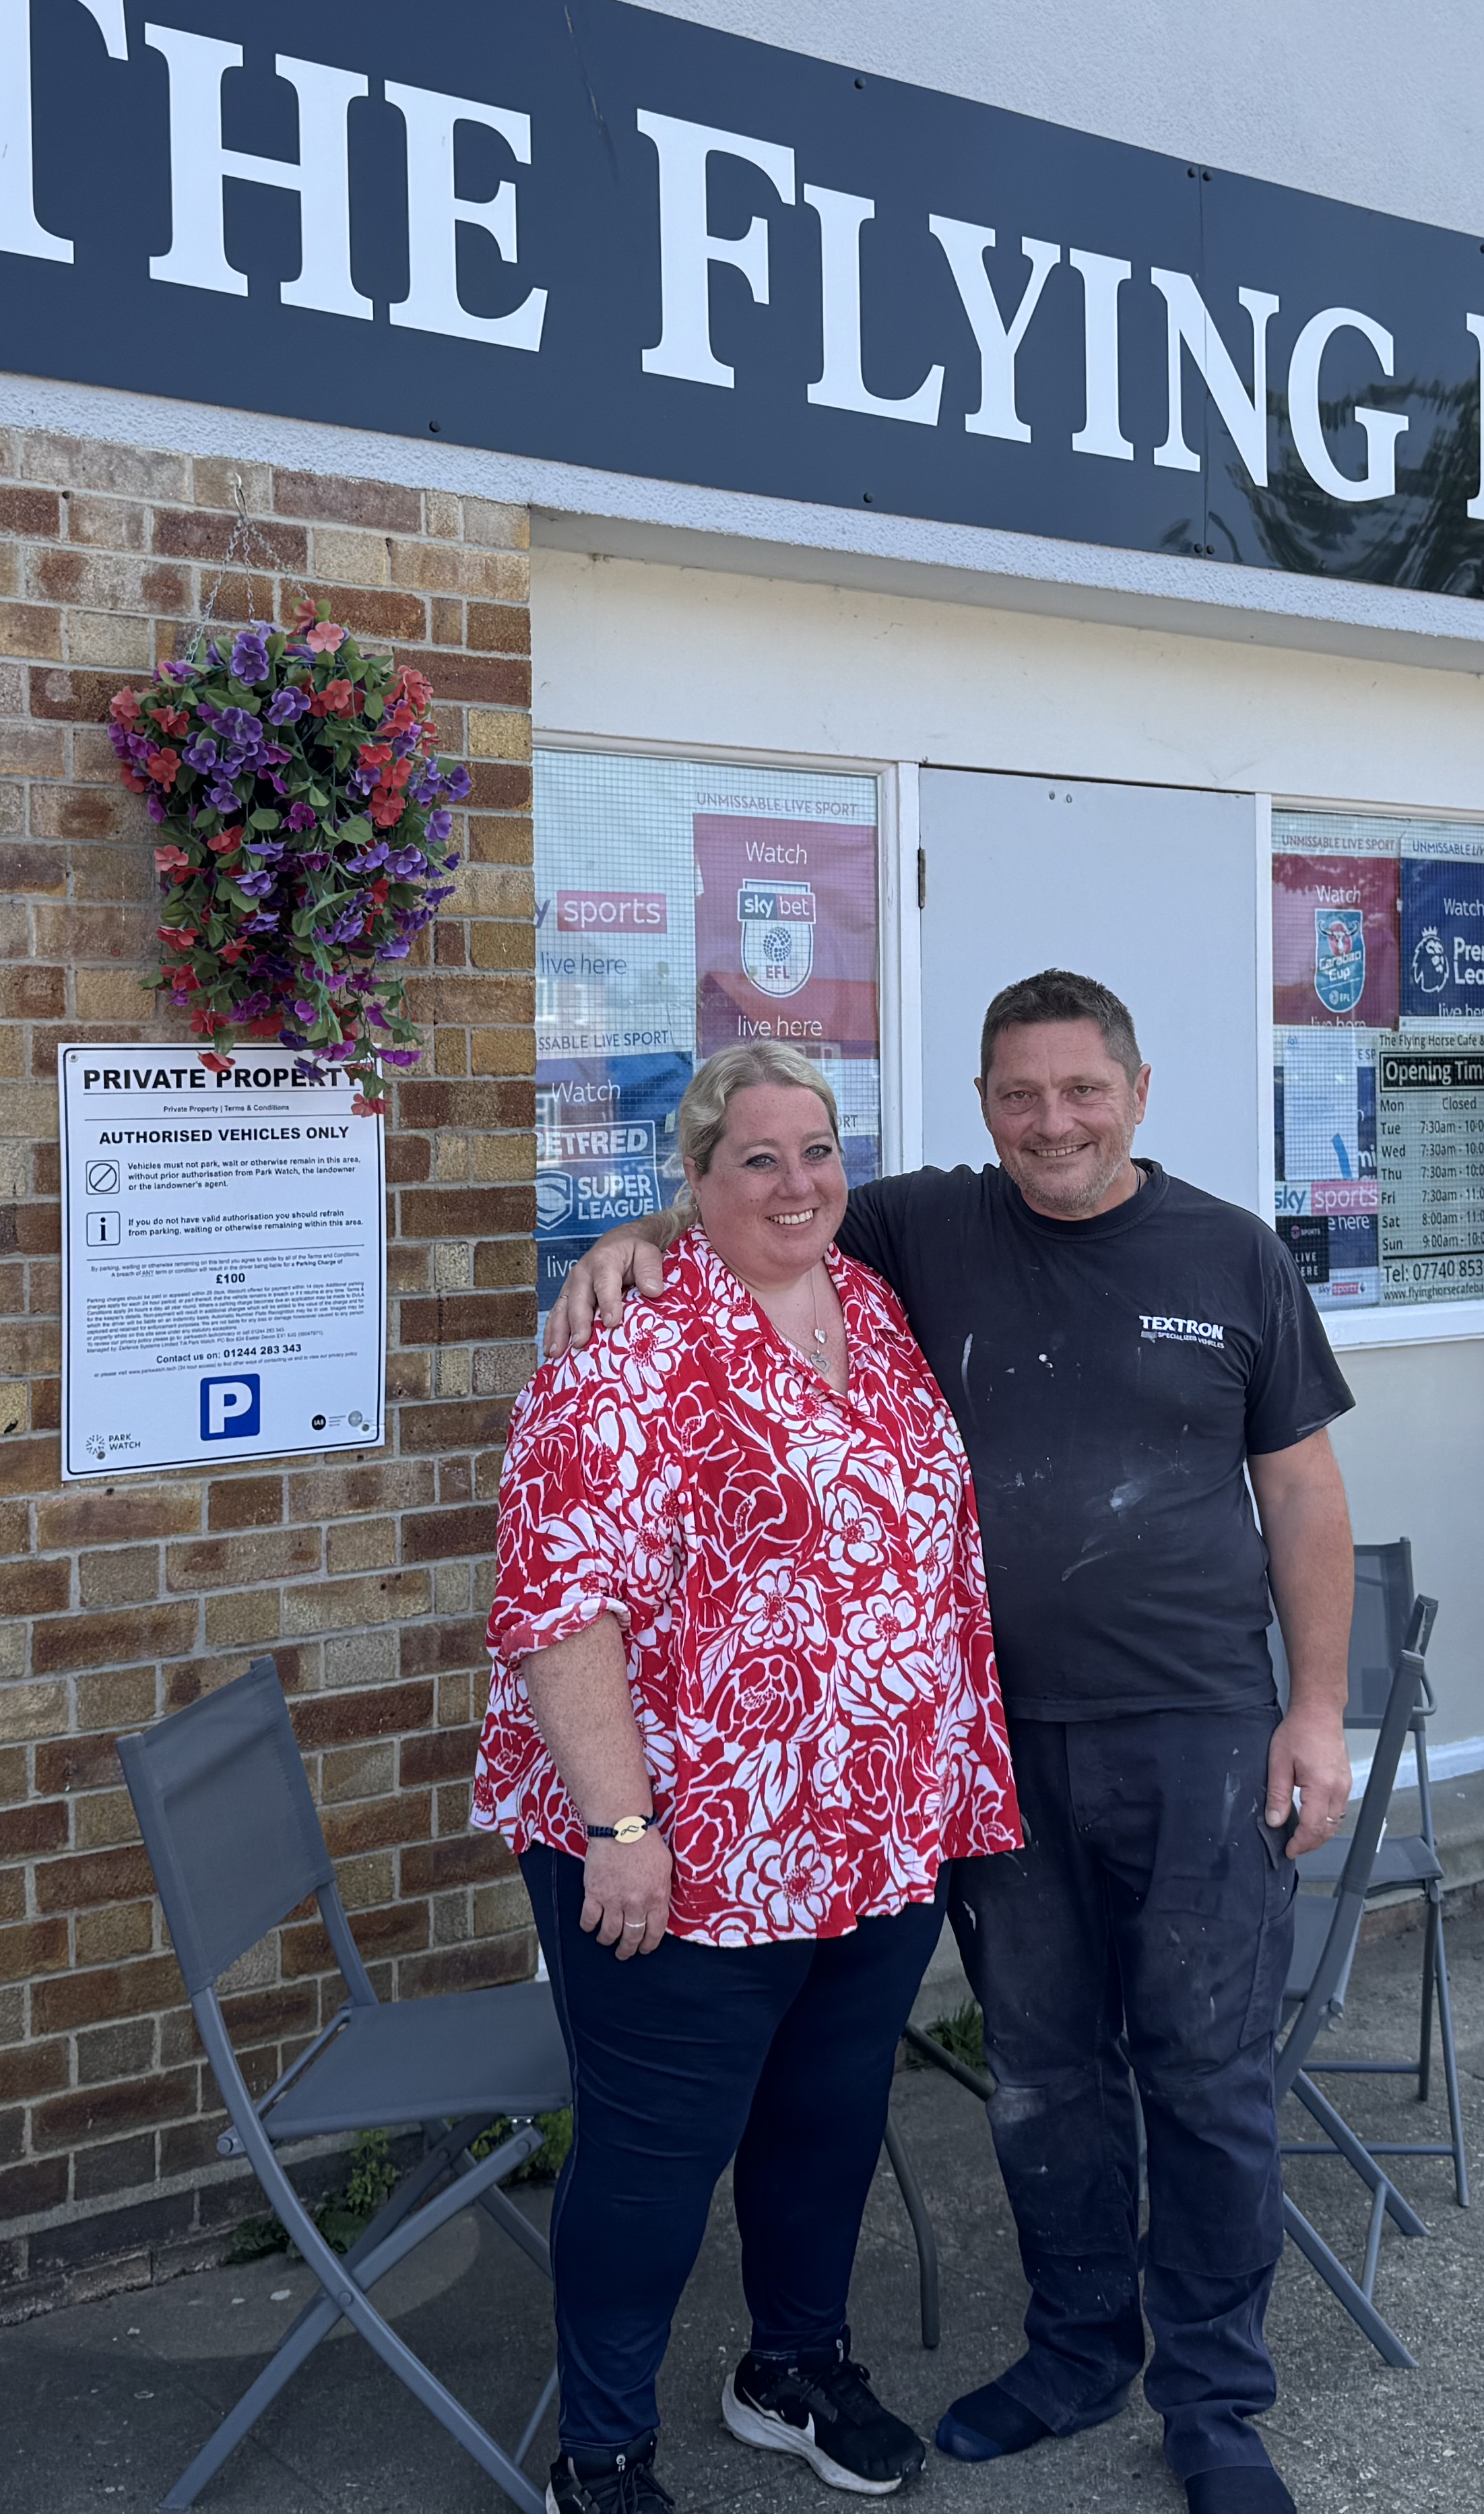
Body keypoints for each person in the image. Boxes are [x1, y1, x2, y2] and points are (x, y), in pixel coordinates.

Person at [547, 971, 1359, 2514]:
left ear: (1134, 1087)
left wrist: (1314, 1708)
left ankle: (1215, 2402)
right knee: (1043, 2073)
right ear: (984, 1107)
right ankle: (1074, 2349)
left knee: (1203, 2076)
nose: (1054, 1120)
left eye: (1082, 1090)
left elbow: (1304, 1494)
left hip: (1194, 1731)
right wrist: (635, 1239)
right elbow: (748, 1211)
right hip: (988, 1759)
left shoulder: (1231, 1254)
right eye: (1020, 1094)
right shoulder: (921, 1230)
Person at [480, 1037, 1024, 2514]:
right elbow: (557, 1603)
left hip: (875, 1836)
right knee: (655, 2166)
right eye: (758, 1158)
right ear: (697, 1181)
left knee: (828, 2123)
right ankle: (601, 2449)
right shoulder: (628, 1354)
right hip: (684, 1850)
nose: (799, 1182)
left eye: (818, 1150)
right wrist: (619, 1824)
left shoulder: (874, 1304)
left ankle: (792, 2366)